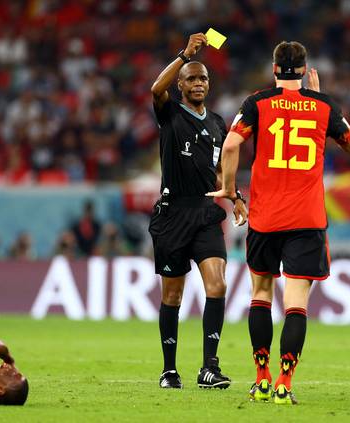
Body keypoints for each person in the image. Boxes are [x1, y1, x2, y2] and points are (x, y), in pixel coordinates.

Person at [207, 41, 350, 404]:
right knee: (296, 304)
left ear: (274, 69)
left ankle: (261, 377)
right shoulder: (324, 106)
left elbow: (229, 146)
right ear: (305, 69)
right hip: (306, 219)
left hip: (265, 217)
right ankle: (284, 383)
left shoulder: (257, 103)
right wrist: (320, 101)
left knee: (260, 294)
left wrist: (229, 188)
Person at [149, 33, 231, 389]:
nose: (198, 83)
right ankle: (169, 370)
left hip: (205, 211)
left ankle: (208, 367)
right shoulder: (169, 112)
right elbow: (155, 88)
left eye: (203, 79)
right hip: (173, 214)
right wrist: (185, 55)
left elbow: (219, 169)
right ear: (180, 84)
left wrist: (236, 194)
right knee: (173, 296)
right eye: (192, 78)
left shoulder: (217, 123)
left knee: (217, 284)